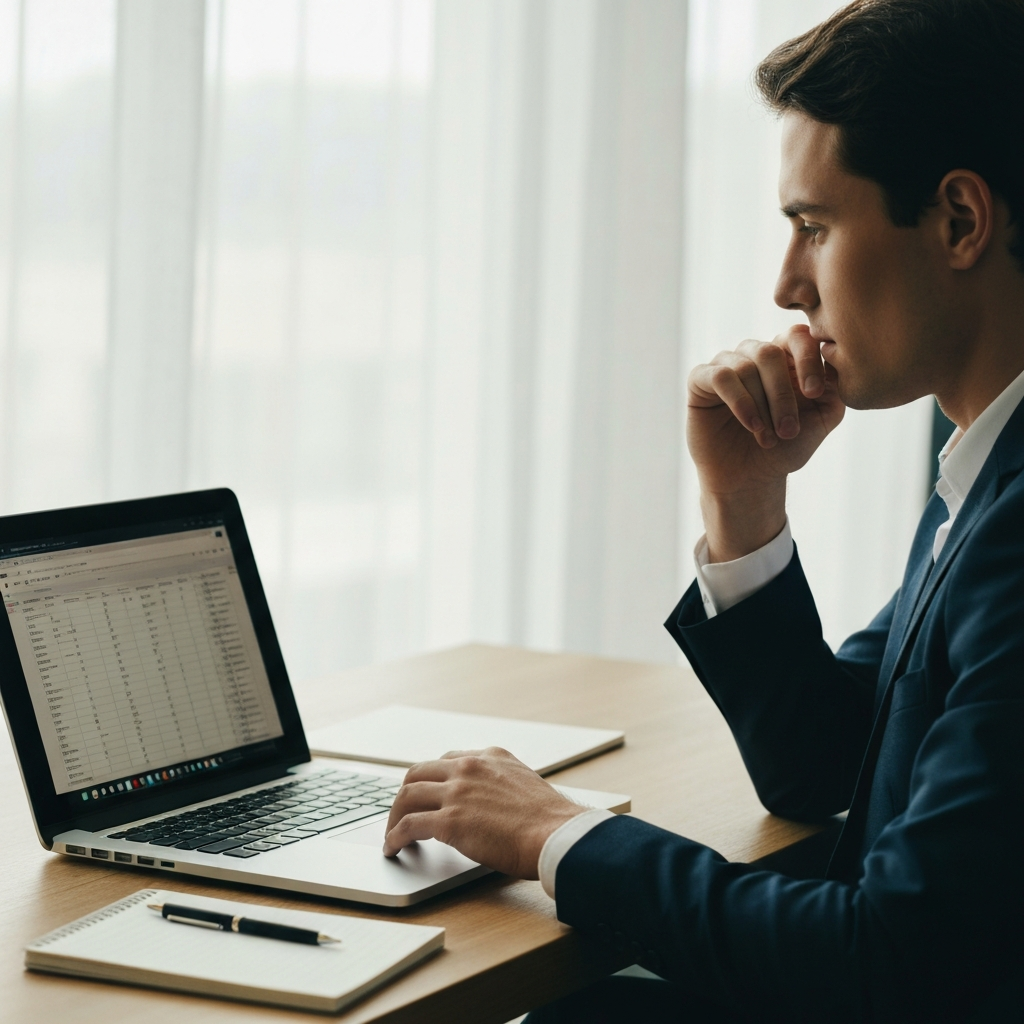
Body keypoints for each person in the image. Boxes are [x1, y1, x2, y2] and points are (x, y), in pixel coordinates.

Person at [383, 1, 1024, 1020]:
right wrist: (743, 503)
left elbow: (891, 961)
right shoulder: (986, 474)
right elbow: (823, 763)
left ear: (957, 221)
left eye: (811, 225)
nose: (784, 286)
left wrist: (554, 832)